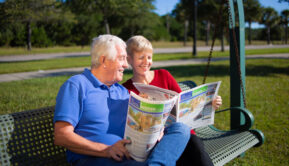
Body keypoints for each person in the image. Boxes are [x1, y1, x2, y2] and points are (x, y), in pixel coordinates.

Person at [53, 34, 191, 166]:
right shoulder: (77, 85)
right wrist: (106, 150)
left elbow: (138, 124)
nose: (126, 65)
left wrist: (156, 129)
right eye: (122, 58)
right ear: (104, 60)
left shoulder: (121, 91)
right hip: (96, 159)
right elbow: (61, 135)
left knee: (181, 129)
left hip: (132, 155)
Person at [123, 35, 222, 166]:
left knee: (194, 146)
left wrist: (210, 103)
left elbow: (185, 103)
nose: (146, 62)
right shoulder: (127, 89)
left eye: (149, 57)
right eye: (141, 57)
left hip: (181, 134)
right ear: (129, 59)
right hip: (153, 142)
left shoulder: (164, 75)